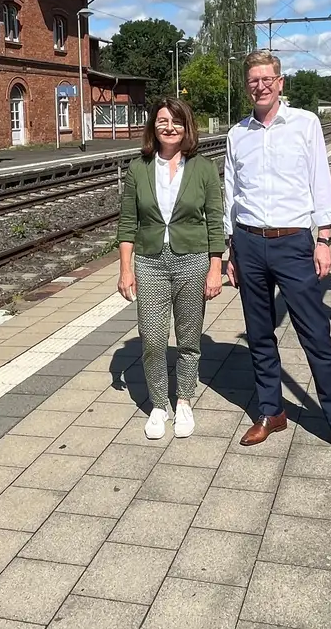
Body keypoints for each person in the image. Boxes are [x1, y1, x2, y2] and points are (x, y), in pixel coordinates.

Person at [223, 52, 331, 471]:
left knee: (316, 337)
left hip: (294, 243)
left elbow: (321, 181)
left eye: (267, 79)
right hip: (248, 243)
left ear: (280, 82)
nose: (261, 86)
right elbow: (231, 192)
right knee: (259, 334)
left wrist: (324, 239)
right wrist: (231, 249)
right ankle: (272, 412)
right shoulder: (237, 134)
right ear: (247, 86)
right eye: (254, 80)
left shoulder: (305, 124)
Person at [116, 98, 225, 440]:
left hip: (192, 259)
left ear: (186, 126)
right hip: (149, 261)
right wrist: (125, 269)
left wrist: (215, 267)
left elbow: (215, 221)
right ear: (154, 126)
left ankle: (184, 401)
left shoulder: (204, 168)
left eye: (176, 121)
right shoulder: (139, 168)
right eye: (162, 120)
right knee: (152, 338)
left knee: (189, 339)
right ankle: (159, 404)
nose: (169, 127)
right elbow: (128, 222)